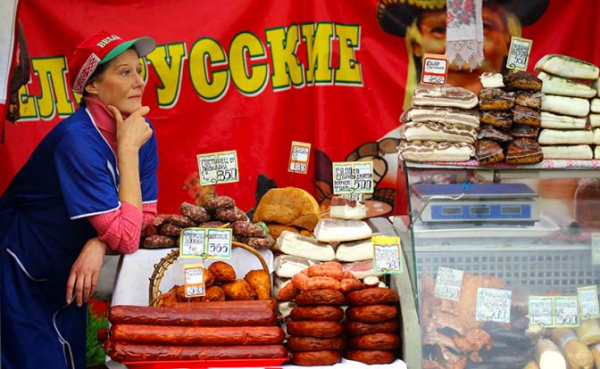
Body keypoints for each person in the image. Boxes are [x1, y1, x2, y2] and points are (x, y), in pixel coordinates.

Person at [0, 31, 158, 369]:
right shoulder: (77, 140)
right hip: (20, 268)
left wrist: (98, 244)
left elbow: (144, 221)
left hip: (68, 273)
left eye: (139, 70)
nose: (139, 82)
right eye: (124, 72)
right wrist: (128, 151)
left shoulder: (140, 131)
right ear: (92, 87)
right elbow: (127, 236)